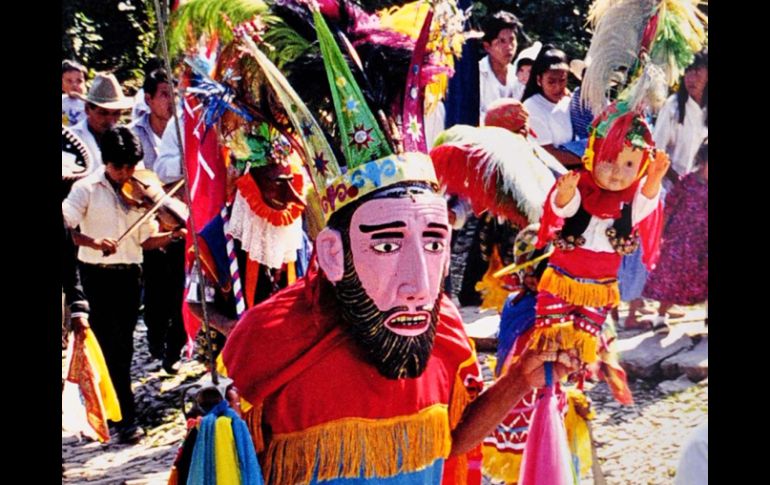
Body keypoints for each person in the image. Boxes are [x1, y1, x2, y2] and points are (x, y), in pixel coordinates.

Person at [216, 8, 579, 484]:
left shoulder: (443, 330)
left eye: (433, 243)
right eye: (387, 246)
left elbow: (450, 443)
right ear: (331, 254)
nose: (419, 285)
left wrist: (518, 380)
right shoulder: (267, 344)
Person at [62, 127, 187, 443]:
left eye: (131, 166)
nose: (126, 174)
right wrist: (93, 241)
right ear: (106, 162)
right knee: (109, 348)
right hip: (95, 276)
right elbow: (66, 230)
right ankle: (125, 418)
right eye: (119, 167)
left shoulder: (139, 190)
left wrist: (172, 235)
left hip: (130, 276)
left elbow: (144, 241)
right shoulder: (85, 189)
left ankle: (115, 413)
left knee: (125, 348)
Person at [531, 103, 669, 365]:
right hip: (562, 277)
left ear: (641, 166)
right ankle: (546, 367)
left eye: (629, 164)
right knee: (551, 332)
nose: (617, 172)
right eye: (608, 160)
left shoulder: (631, 201)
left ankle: (576, 366)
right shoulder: (580, 185)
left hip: (600, 286)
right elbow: (563, 209)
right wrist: (565, 194)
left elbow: (647, 203)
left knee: (584, 338)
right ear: (592, 155)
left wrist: (653, 180)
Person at [643, 138, 708, 334]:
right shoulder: (687, 182)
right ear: (702, 161)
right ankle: (660, 317)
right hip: (681, 241)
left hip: (704, 243)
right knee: (672, 279)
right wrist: (658, 236)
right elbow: (669, 208)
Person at [653, 49, 708, 190]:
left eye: (697, 71)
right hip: (665, 188)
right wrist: (678, 182)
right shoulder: (672, 107)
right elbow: (656, 150)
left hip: (695, 192)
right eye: (688, 71)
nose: (691, 78)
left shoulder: (705, 110)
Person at [521, 45, 582, 168]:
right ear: (539, 80)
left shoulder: (570, 100)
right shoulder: (532, 107)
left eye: (562, 80)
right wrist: (590, 159)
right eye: (551, 81)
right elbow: (547, 154)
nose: (557, 87)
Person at [70, 72, 134, 171]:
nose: (110, 120)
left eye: (116, 113)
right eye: (103, 113)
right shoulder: (71, 139)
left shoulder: (127, 138)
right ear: (87, 109)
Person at [478, 11, 523, 122]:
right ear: (487, 46)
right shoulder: (476, 74)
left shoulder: (519, 74)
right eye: (501, 41)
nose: (509, 47)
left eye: (512, 39)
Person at [62, 60, 88, 127]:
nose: (74, 85)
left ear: (85, 83)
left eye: (79, 81)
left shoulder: (90, 104)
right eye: (69, 81)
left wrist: (82, 98)